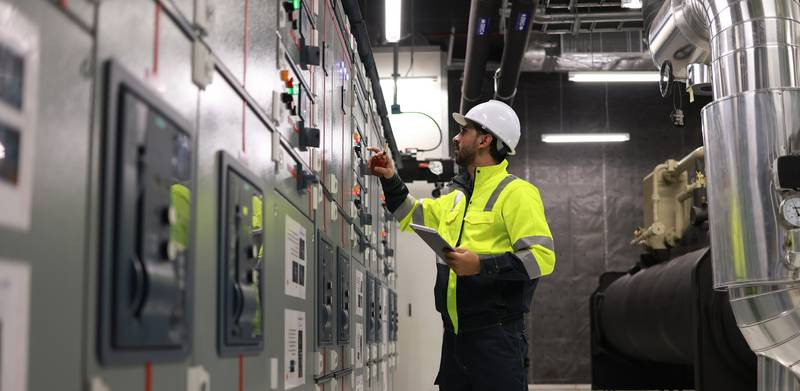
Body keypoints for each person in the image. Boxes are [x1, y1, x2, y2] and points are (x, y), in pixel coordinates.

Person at [368, 100, 555, 390]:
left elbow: (541, 258)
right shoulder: (456, 197)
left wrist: (481, 265)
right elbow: (409, 213)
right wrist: (391, 178)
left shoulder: (517, 193)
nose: (456, 137)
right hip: (455, 339)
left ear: (484, 140)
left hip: (496, 340)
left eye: (463, 131)